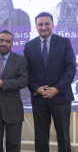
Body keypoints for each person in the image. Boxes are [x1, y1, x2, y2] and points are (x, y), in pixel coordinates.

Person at [24, 12, 76, 152]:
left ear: (53, 25)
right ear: (36, 26)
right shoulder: (29, 46)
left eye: (47, 24)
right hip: (39, 99)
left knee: (63, 135)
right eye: (40, 24)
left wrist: (57, 88)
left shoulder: (64, 42)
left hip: (61, 97)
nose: (44, 27)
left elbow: (71, 69)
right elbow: (27, 72)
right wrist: (37, 88)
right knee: (40, 137)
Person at [0, 30, 28, 152]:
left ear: (12, 43)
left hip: (13, 109)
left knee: (13, 146)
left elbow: (23, 81)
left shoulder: (20, 60)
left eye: (7, 41)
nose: (4, 43)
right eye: (1, 40)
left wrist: (4, 83)